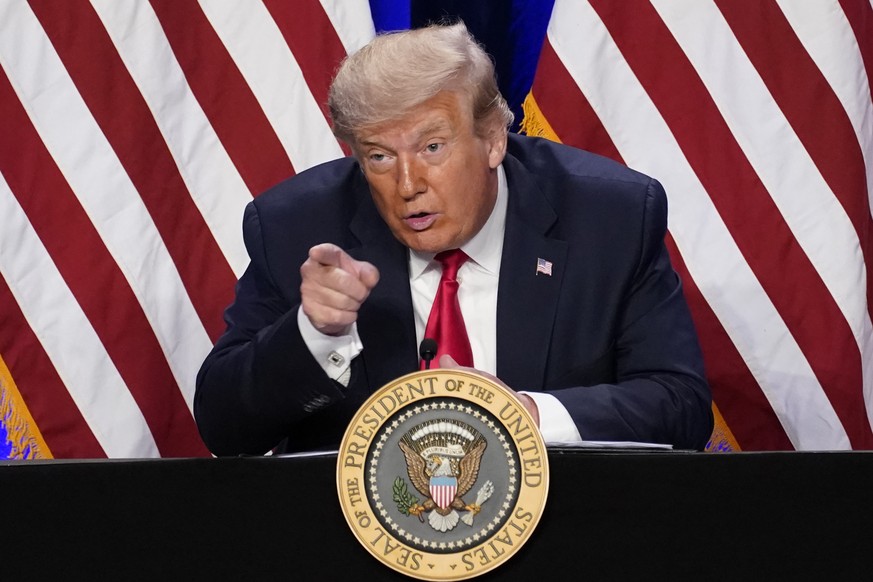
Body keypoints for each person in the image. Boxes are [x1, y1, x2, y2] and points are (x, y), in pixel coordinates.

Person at [194, 22, 713, 456]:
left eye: (433, 147)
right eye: (378, 156)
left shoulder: (608, 217)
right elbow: (224, 429)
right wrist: (313, 333)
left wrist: (525, 415)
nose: (407, 184)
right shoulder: (298, 227)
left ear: (492, 139)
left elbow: (681, 406)